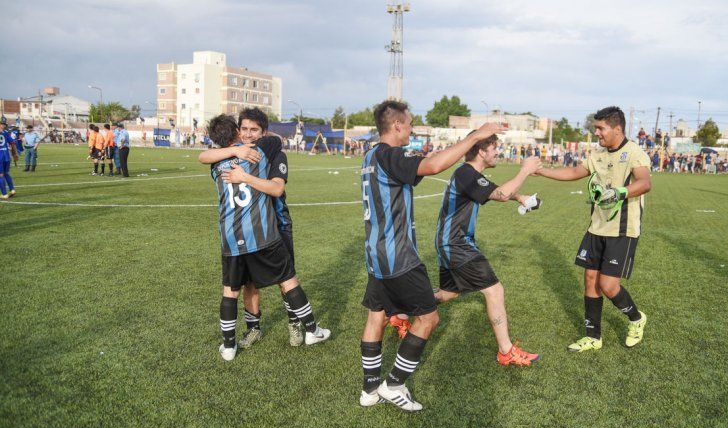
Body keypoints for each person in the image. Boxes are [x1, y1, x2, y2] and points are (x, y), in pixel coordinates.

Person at [358, 99, 505, 411]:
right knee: (428, 318)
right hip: (399, 255)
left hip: (375, 253)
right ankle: (393, 384)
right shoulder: (389, 154)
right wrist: (477, 135)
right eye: (409, 123)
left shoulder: (371, 155)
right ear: (397, 125)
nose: (411, 127)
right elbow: (436, 165)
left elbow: (428, 163)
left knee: (376, 315)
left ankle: (369, 389)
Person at [200, 113, 330, 362]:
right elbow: (272, 143)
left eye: (254, 130)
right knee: (284, 279)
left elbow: (203, 157)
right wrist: (237, 153)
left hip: (237, 234)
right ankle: (307, 329)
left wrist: (231, 154)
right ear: (238, 131)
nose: (248, 134)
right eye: (244, 129)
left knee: (231, 291)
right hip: (261, 232)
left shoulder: (217, 166)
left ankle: (229, 346)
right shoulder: (260, 154)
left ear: (263, 131)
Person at [534, 106, 650, 353]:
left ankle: (636, 319)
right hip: (596, 226)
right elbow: (576, 172)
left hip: (622, 229)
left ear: (617, 128)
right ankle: (593, 337)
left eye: (600, 128)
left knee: (608, 286)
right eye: (596, 127)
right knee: (589, 280)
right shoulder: (597, 154)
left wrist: (620, 192)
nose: (596, 132)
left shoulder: (634, 152)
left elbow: (644, 182)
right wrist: (542, 170)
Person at [433, 132, 542, 367]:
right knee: (494, 290)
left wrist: (520, 197)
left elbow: (495, 191)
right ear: (481, 151)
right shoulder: (466, 173)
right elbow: (500, 194)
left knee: (448, 294)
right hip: (456, 243)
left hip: (451, 242)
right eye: (494, 148)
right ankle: (506, 351)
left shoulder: (469, 174)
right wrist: (525, 170)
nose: (497, 152)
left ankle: (399, 310)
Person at [0, 122, 16, 199]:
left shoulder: (5, 132)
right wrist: (14, 154)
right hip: (7, 156)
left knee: (1, 175)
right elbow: (12, 143)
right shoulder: (5, 133)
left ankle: (4, 194)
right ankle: (12, 190)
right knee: (6, 173)